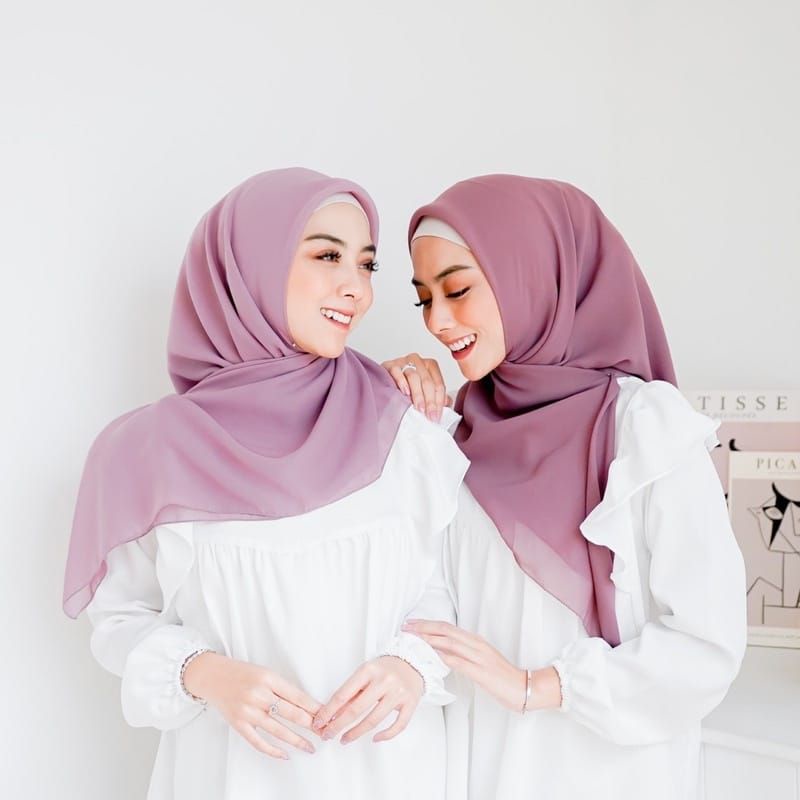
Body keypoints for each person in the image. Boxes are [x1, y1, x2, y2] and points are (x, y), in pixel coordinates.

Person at [63, 168, 468, 799]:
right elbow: (119, 619)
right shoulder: (148, 451)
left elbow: (443, 588)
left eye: (366, 265)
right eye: (328, 256)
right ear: (246, 267)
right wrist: (205, 673)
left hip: (391, 772)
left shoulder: (407, 425)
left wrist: (409, 666)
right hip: (229, 777)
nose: (356, 289)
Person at [383, 175, 746, 800]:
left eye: (457, 289)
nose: (438, 321)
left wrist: (536, 687)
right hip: (480, 765)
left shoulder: (643, 429)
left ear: (532, 275)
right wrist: (382, 399)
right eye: (424, 299)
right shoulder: (452, 432)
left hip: (610, 773)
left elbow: (706, 645)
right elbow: (418, 594)